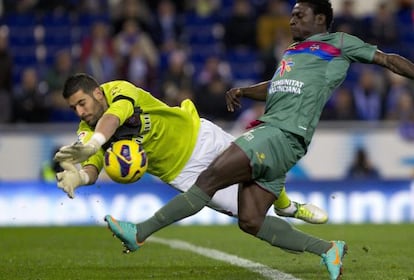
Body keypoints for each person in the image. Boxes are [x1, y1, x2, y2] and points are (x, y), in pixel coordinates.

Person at [64, 0, 414, 279]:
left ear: (321, 19)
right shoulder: (292, 52)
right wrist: (244, 91)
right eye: (291, 14)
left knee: (211, 178)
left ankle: (140, 232)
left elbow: (387, 59)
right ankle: (327, 248)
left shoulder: (338, 43)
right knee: (250, 220)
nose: (292, 19)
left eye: (299, 14)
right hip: (272, 131)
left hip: (281, 133)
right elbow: (278, 87)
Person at [53, 73, 327, 224]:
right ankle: (286, 218)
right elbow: (94, 163)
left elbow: (114, 118)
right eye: (73, 108)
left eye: (82, 103)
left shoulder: (120, 90)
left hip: (199, 134)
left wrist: (95, 143)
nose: (80, 112)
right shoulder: (86, 130)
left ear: (98, 93)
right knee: (247, 213)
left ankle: (288, 207)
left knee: (256, 165)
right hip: (182, 172)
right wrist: (82, 177)